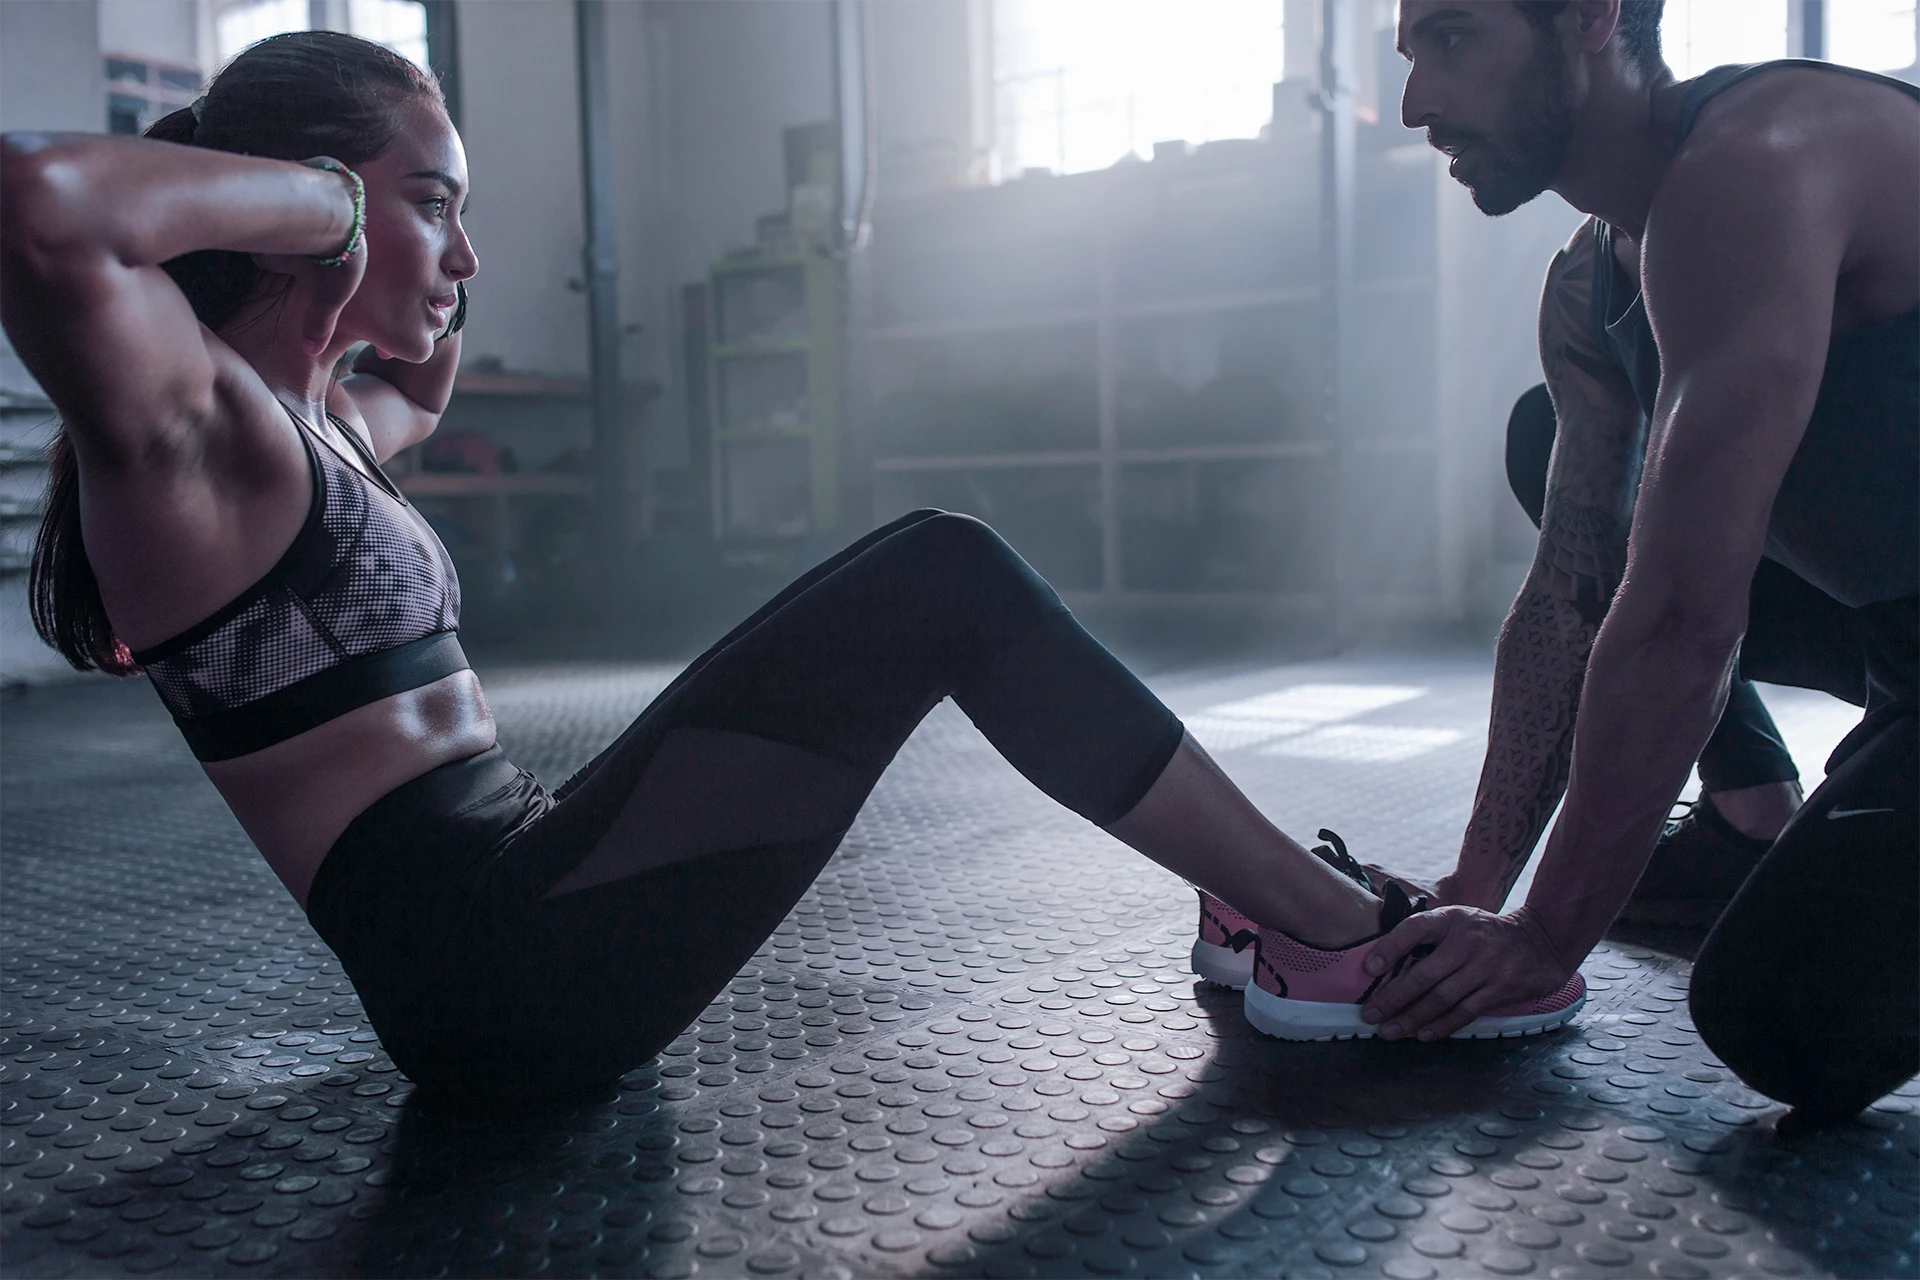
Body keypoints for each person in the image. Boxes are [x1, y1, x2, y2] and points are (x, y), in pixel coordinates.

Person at [0, 31, 1402, 1104]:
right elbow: (37, 200)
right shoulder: (195, 432)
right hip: (499, 969)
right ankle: (1325, 936)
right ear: (313, 203)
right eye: (436, 203)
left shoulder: (321, 428)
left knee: (933, 569)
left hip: (519, 910)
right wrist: (332, 200)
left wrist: (403, 231)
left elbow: (423, 384)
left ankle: (1255, 905)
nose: (469, 251)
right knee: (943, 578)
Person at [1360, 0, 1920, 1121]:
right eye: (1410, 54)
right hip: (1895, 624)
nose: (1417, 102)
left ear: (1588, 18)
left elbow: (1681, 615)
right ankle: (1748, 813)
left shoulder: (1753, 163)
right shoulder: (1590, 282)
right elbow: (1576, 596)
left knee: (1787, 1014)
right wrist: (1480, 888)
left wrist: (1543, 936)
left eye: (1455, 39)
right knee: (1553, 447)